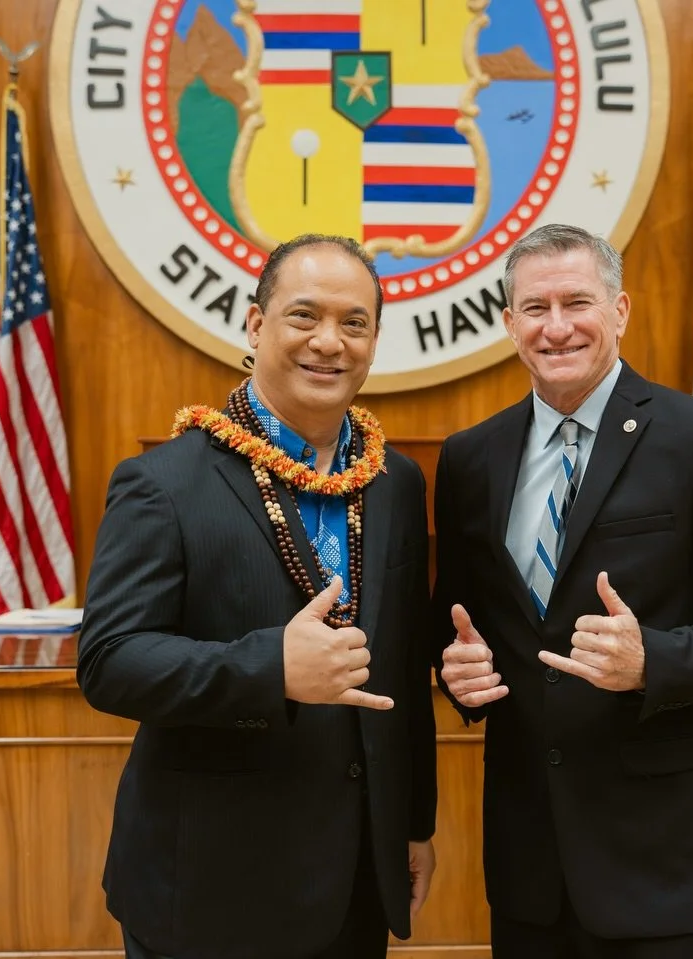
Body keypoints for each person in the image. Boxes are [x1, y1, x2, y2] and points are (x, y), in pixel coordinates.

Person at [432, 223, 693, 958]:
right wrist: (456, 673)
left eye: (577, 303)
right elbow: (459, 627)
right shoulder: (471, 457)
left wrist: (651, 661)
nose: (556, 327)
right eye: (535, 308)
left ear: (619, 311)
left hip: (660, 858)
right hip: (529, 862)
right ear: (509, 323)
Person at [78, 234, 437, 959]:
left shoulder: (395, 483)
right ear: (254, 325)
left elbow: (400, 670)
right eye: (305, 315)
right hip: (210, 885)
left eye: (355, 322)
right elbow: (110, 661)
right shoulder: (163, 483)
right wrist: (271, 668)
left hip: (357, 879)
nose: (329, 342)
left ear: (374, 342)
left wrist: (413, 823)